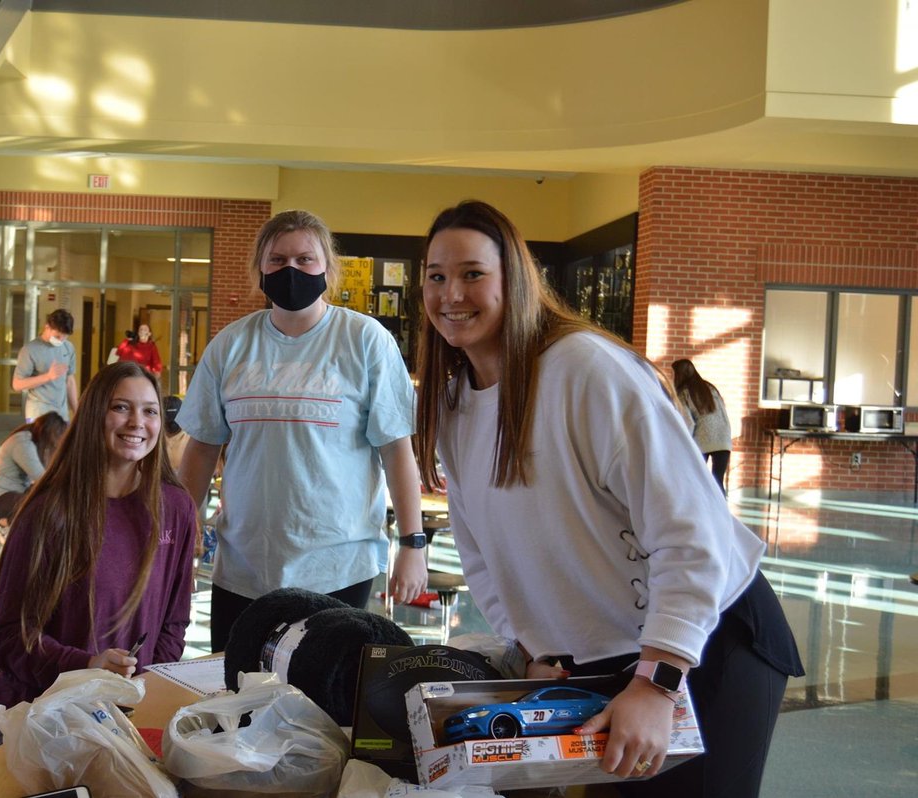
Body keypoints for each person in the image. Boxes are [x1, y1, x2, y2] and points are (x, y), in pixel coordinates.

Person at [415, 200, 802, 797]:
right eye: (435, 276)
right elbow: (484, 557)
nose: (451, 293)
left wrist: (656, 683)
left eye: (472, 273)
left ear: (514, 279)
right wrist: (530, 649)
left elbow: (690, 530)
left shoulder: (585, 370)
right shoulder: (454, 403)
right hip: (604, 661)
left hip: (706, 642)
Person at [176, 209, 427, 652]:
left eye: (305, 259)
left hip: (339, 566)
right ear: (260, 269)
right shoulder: (231, 345)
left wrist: (413, 543)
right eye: (277, 260)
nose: (290, 270)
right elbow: (201, 446)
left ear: (328, 268)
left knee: (320, 705)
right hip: (243, 566)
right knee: (234, 701)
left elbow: (396, 450)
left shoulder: (365, 340)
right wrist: (181, 521)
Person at [0, 361, 197, 751]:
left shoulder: (176, 507)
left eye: (149, 411)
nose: (137, 422)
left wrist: (139, 685)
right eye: (121, 407)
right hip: (39, 720)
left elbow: (174, 621)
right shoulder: (49, 512)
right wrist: (85, 667)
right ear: (94, 415)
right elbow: (6, 635)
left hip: (121, 721)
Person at [0, 411, 69, 529]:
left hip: (18, 492)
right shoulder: (21, 442)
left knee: (46, 501)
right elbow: (41, 477)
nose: (57, 441)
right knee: (38, 507)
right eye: (57, 435)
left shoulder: (35, 443)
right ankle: (1, 525)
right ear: (48, 431)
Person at [672, 358, 733, 494]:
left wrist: (685, 443)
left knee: (696, 480)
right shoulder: (711, 388)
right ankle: (720, 513)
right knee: (718, 481)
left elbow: (688, 422)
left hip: (702, 440)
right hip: (724, 439)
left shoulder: (684, 393)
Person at [13, 308, 78, 421]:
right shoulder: (30, 350)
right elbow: (17, 385)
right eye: (58, 336)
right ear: (47, 327)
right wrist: (47, 377)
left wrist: (77, 411)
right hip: (38, 413)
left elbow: (70, 382)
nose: (61, 340)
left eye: (65, 336)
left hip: (61, 414)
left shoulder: (68, 347)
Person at [161, 394, 190, 472]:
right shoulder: (153, 439)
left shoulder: (193, 440)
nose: (171, 426)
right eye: (168, 423)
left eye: (175, 422)